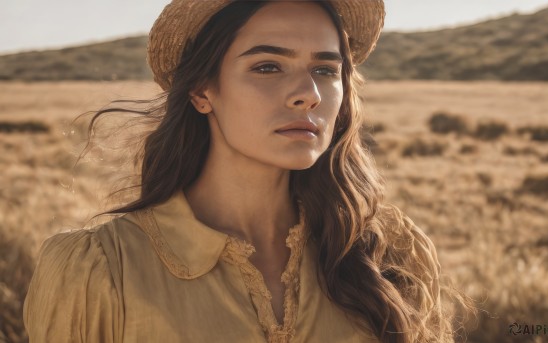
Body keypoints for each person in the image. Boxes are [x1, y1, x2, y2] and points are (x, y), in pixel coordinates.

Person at [24, 1, 462, 342]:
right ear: (201, 90)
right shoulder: (101, 270)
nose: (308, 95)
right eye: (268, 66)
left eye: (326, 70)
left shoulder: (385, 252)